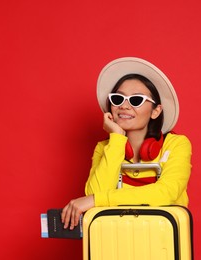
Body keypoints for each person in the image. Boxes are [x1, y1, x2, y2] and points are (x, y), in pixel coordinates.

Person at [61, 57, 192, 230]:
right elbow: (93, 196)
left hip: (164, 243)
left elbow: (164, 194)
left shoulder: (177, 145)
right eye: (118, 99)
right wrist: (116, 138)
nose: (124, 106)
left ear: (155, 111)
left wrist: (97, 200)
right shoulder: (105, 148)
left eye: (136, 100)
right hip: (115, 243)